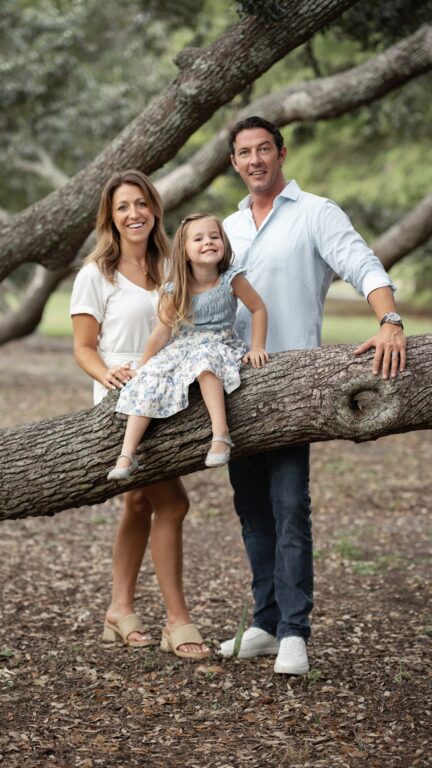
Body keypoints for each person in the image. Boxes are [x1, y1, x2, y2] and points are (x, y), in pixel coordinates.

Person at [218, 116, 407, 675]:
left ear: (281, 153)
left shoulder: (317, 213)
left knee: (289, 506)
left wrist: (390, 319)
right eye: (244, 152)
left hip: (295, 383)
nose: (255, 160)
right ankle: (264, 622)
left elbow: (362, 264)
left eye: (263, 150)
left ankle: (295, 632)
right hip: (235, 385)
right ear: (233, 162)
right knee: (251, 510)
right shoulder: (226, 227)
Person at [70, 169, 208, 660]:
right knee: (172, 505)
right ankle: (178, 620)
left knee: (138, 504)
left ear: (155, 209)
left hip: (170, 396)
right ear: (110, 217)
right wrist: (107, 374)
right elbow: (84, 348)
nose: (134, 214)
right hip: (122, 398)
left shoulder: (174, 267)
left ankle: (119, 610)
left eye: (141, 204)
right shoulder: (95, 275)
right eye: (123, 206)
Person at [107, 213, 269, 481]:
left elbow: (258, 308)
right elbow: (161, 333)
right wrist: (143, 367)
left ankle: (221, 435)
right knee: (148, 379)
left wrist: (257, 346)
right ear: (184, 251)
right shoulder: (176, 289)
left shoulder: (231, 278)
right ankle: (127, 454)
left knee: (205, 361)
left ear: (224, 243)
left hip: (219, 343)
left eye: (214, 236)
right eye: (199, 238)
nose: (208, 242)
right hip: (183, 348)